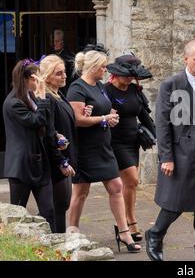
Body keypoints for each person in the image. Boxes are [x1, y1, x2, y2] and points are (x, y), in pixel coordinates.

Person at [145, 40, 195, 261]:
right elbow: (163, 122)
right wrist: (166, 157)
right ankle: (155, 235)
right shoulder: (172, 83)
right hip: (182, 154)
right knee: (175, 202)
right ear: (185, 59)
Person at [66, 45, 141, 253]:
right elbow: (78, 120)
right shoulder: (77, 88)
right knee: (81, 191)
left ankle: (124, 232)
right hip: (85, 148)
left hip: (103, 146)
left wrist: (111, 116)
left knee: (116, 186)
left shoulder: (99, 86)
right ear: (93, 67)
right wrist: (103, 119)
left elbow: (102, 109)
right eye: (103, 67)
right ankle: (72, 230)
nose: (106, 71)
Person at [105, 54, 154, 242]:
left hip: (133, 141)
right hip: (115, 142)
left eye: (131, 76)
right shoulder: (106, 91)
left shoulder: (135, 90)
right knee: (132, 179)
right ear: (116, 74)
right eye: (125, 75)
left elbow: (144, 116)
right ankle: (131, 221)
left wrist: (157, 137)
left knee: (131, 184)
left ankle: (124, 221)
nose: (129, 79)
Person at [2, 59, 55, 231]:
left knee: (49, 210)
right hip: (21, 165)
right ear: (25, 79)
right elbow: (36, 121)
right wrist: (42, 96)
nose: (39, 82)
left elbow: (46, 121)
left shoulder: (31, 97)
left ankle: (51, 247)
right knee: (18, 213)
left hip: (39, 163)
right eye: (36, 78)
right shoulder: (13, 103)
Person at [38, 55, 78, 233]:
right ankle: (58, 243)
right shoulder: (47, 98)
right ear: (47, 76)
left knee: (62, 205)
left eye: (64, 72)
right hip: (56, 162)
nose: (64, 76)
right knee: (57, 207)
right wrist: (61, 161)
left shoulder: (58, 93)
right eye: (58, 73)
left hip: (67, 157)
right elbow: (49, 133)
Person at [51, 29, 75, 95]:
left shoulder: (69, 57)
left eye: (57, 41)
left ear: (63, 43)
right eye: (54, 41)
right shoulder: (52, 54)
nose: (54, 44)